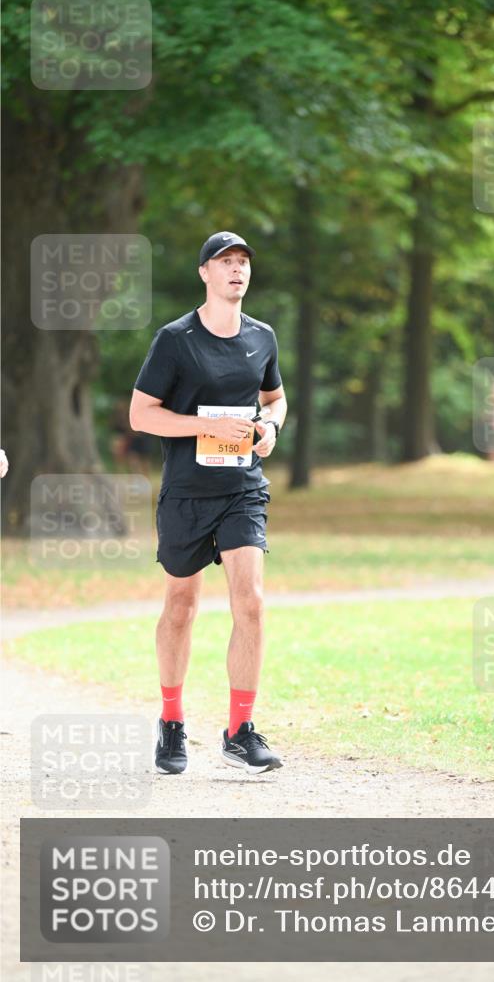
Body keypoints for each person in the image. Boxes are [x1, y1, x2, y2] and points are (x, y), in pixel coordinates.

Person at [129, 231, 287, 773]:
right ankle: (171, 725)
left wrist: (269, 428)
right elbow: (141, 414)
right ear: (205, 273)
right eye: (225, 262)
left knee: (252, 603)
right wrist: (207, 425)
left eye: (243, 262)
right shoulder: (176, 339)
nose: (236, 270)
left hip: (243, 488)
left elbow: (275, 398)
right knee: (181, 608)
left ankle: (240, 731)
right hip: (187, 492)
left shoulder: (262, 337)